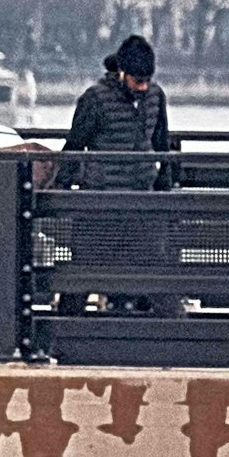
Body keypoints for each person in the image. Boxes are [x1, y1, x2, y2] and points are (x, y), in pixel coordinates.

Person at [58, 34, 174, 313]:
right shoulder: (95, 99)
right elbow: (75, 144)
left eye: (147, 80)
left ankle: (170, 331)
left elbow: (162, 143)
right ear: (121, 73)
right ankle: (60, 332)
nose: (143, 87)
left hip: (141, 200)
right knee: (84, 271)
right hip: (100, 201)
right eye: (138, 80)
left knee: (155, 270)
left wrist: (165, 183)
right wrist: (63, 186)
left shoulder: (156, 97)